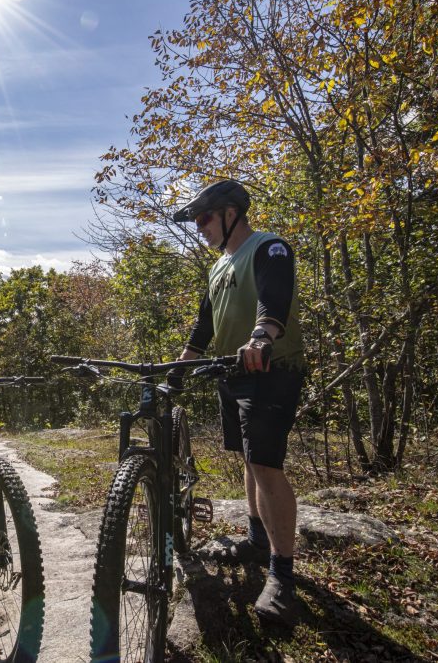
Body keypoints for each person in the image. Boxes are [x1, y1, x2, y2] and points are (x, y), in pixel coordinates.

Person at [171, 180, 305, 623]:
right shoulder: (218, 266)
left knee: (266, 465)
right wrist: (183, 364)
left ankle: (282, 576)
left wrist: (261, 337)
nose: (199, 228)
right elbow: (205, 323)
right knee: (249, 460)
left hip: (269, 370)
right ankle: (254, 539)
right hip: (232, 374)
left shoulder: (269, 249)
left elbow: (274, 300)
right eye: (195, 221)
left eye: (204, 218)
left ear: (231, 213)